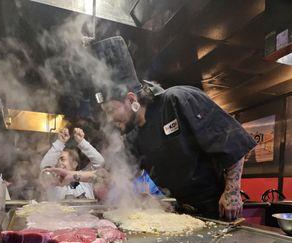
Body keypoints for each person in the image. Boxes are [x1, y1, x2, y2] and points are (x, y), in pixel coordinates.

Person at [87, 36, 256, 221]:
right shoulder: (134, 136)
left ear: (131, 99)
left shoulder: (177, 101)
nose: (110, 119)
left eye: (111, 110)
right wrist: (73, 177)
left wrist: (232, 193)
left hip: (216, 209)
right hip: (181, 212)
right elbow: (116, 174)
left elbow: (233, 143)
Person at [40, 127, 104, 201]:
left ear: (74, 164)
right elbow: (45, 168)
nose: (58, 163)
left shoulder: (85, 177)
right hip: (57, 212)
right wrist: (60, 142)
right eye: (57, 160)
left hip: (87, 212)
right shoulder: (54, 181)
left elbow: (99, 162)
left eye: (62, 159)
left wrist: (82, 142)